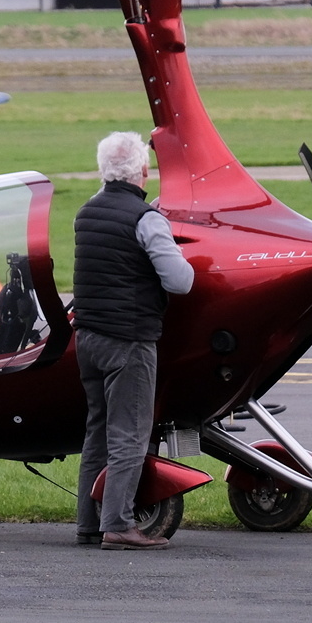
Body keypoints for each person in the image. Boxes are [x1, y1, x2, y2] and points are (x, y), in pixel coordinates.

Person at [73, 131, 193, 550]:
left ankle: (89, 523)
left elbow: (116, 238)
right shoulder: (147, 221)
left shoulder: (87, 212)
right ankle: (119, 525)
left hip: (88, 339)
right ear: (144, 171)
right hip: (130, 341)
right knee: (130, 435)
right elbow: (181, 282)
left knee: (98, 433)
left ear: (103, 170)